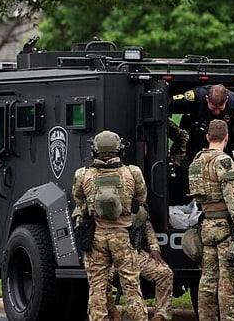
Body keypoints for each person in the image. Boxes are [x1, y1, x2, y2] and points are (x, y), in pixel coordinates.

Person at [72, 130, 148, 321]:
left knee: (97, 288)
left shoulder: (83, 175)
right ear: (119, 150)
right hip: (123, 236)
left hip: (96, 236)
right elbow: (141, 198)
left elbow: (79, 201)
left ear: (94, 150)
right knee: (132, 287)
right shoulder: (132, 172)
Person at [187, 119, 234, 321]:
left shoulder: (196, 161)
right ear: (226, 137)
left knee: (207, 279)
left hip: (206, 224)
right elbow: (232, 199)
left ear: (207, 137)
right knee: (227, 281)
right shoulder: (224, 161)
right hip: (224, 226)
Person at [105, 204, 174, 321]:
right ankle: (111, 311)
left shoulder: (139, 209)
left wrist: (154, 249)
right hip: (114, 256)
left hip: (137, 253)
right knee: (102, 278)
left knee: (165, 273)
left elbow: (147, 227)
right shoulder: (111, 208)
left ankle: (161, 315)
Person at [170, 84, 234, 167]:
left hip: (227, 144)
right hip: (196, 139)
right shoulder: (197, 96)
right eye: (213, 108)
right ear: (207, 99)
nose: (216, 112)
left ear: (226, 100)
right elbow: (168, 104)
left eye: (220, 108)